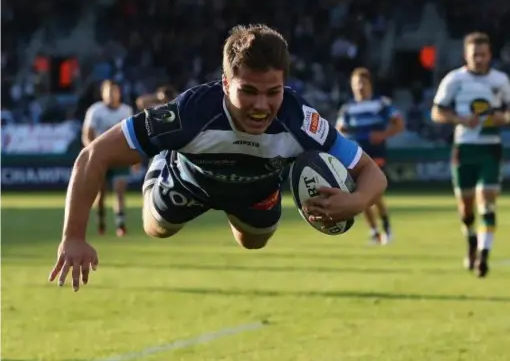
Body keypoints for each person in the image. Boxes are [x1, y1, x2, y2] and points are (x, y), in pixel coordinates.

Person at [49, 24, 387, 292]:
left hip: (255, 189)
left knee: (253, 243)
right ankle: (165, 162)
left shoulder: (301, 120)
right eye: (248, 91)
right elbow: (93, 155)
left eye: (273, 92)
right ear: (226, 85)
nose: (261, 105)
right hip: (189, 182)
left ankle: (241, 201)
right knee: (157, 230)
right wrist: (73, 237)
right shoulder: (190, 114)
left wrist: (356, 201)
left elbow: (371, 173)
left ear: (285, 84)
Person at [431, 32, 510, 277]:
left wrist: (502, 119)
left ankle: (483, 257)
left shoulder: (500, 80)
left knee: (486, 202)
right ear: (466, 55)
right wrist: (459, 119)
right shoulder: (454, 79)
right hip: (463, 148)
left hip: (490, 147)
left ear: (490, 55)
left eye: (483, 54)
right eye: (474, 54)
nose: (479, 58)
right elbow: (437, 112)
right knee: (466, 210)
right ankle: (472, 241)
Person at [336, 67, 404, 245]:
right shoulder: (348, 108)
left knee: (373, 192)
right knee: (361, 193)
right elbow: (338, 130)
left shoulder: (381, 103)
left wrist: (382, 135)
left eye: (362, 83)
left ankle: (386, 226)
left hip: (376, 152)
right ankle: (375, 232)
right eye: (356, 84)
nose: (359, 87)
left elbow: (398, 124)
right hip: (356, 155)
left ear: (369, 84)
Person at [82, 80, 134, 237]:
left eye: (115, 91)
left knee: (119, 190)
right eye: (109, 91)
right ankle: (101, 220)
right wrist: (93, 152)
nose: (113, 95)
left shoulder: (126, 110)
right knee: (101, 193)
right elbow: (87, 134)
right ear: (103, 94)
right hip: (101, 157)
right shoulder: (95, 111)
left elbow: (130, 135)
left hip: (119, 156)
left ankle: (120, 224)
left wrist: (133, 156)